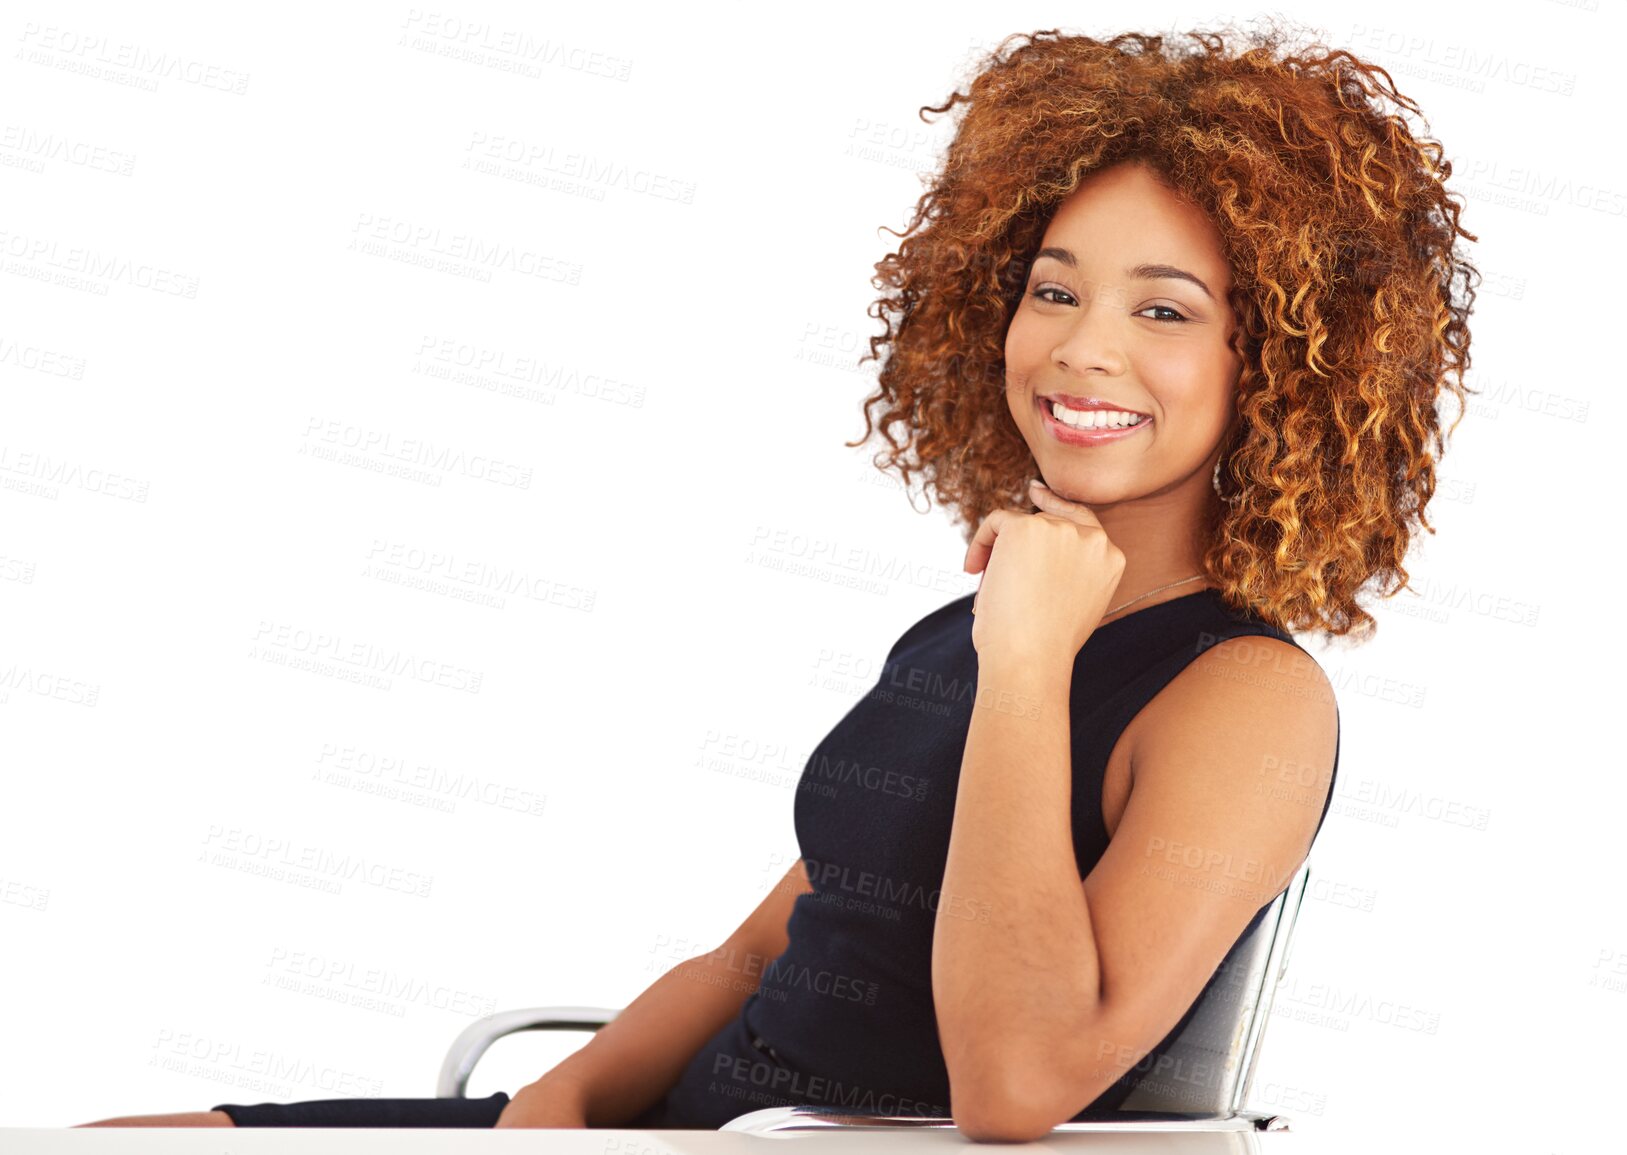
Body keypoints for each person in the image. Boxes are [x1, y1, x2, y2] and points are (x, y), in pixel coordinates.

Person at [74, 21, 1476, 1139]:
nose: (1082, 349)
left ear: (1288, 369)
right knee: (102, 1143)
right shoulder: (963, 630)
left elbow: (1015, 1084)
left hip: (797, 1149)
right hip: (685, 1128)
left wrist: (1037, 661)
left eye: (1164, 310)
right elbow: (763, 955)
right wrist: (552, 1111)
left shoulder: (1243, 700)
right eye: (1054, 289)